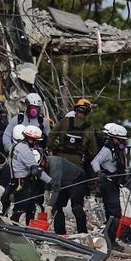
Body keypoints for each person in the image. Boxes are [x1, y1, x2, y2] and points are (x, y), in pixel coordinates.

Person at [48, 97, 99, 235]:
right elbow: (94, 152)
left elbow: (50, 138)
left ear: (75, 109)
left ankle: (60, 233)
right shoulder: (89, 129)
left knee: (58, 205)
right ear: (87, 112)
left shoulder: (64, 122)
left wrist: (55, 150)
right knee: (77, 206)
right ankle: (82, 234)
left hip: (60, 171)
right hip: (77, 174)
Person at [7, 125, 50, 224]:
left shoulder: (17, 146)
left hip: (16, 180)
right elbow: (36, 171)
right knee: (21, 207)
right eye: (35, 141)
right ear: (31, 140)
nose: (36, 143)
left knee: (29, 205)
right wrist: (49, 180)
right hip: (22, 182)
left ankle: (25, 225)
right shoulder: (25, 151)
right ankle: (15, 226)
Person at [93, 123, 129, 227]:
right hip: (108, 184)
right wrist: (100, 172)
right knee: (114, 212)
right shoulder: (107, 150)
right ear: (114, 139)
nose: (123, 142)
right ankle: (110, 238)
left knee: (114, 212)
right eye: (120, 140)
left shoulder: (119, 151)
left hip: (115, 184)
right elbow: (95, 162)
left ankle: (110, 237)